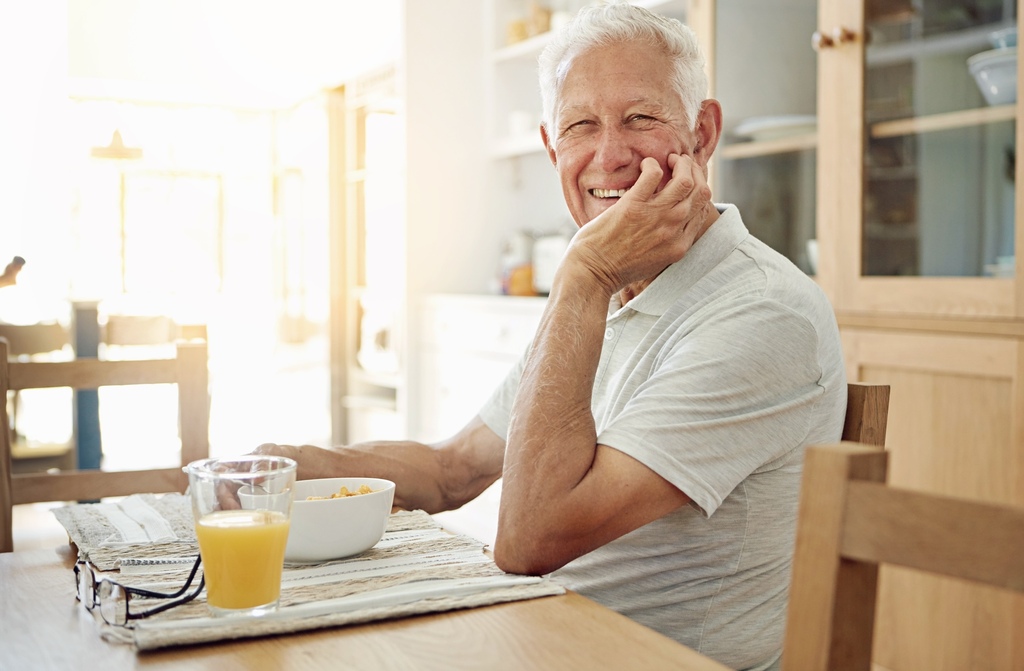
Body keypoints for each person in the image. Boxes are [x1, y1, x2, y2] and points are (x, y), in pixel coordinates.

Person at [254, 4, 845, 669]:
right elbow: (454, 471)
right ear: (551, 147)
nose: (611, 154)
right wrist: (286, 462)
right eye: (580, 126)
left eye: (641, 118)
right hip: (544, 638)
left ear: (702, 132)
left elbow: (529, 538)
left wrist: (583, 273)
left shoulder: (761, 312)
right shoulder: (608, 292)